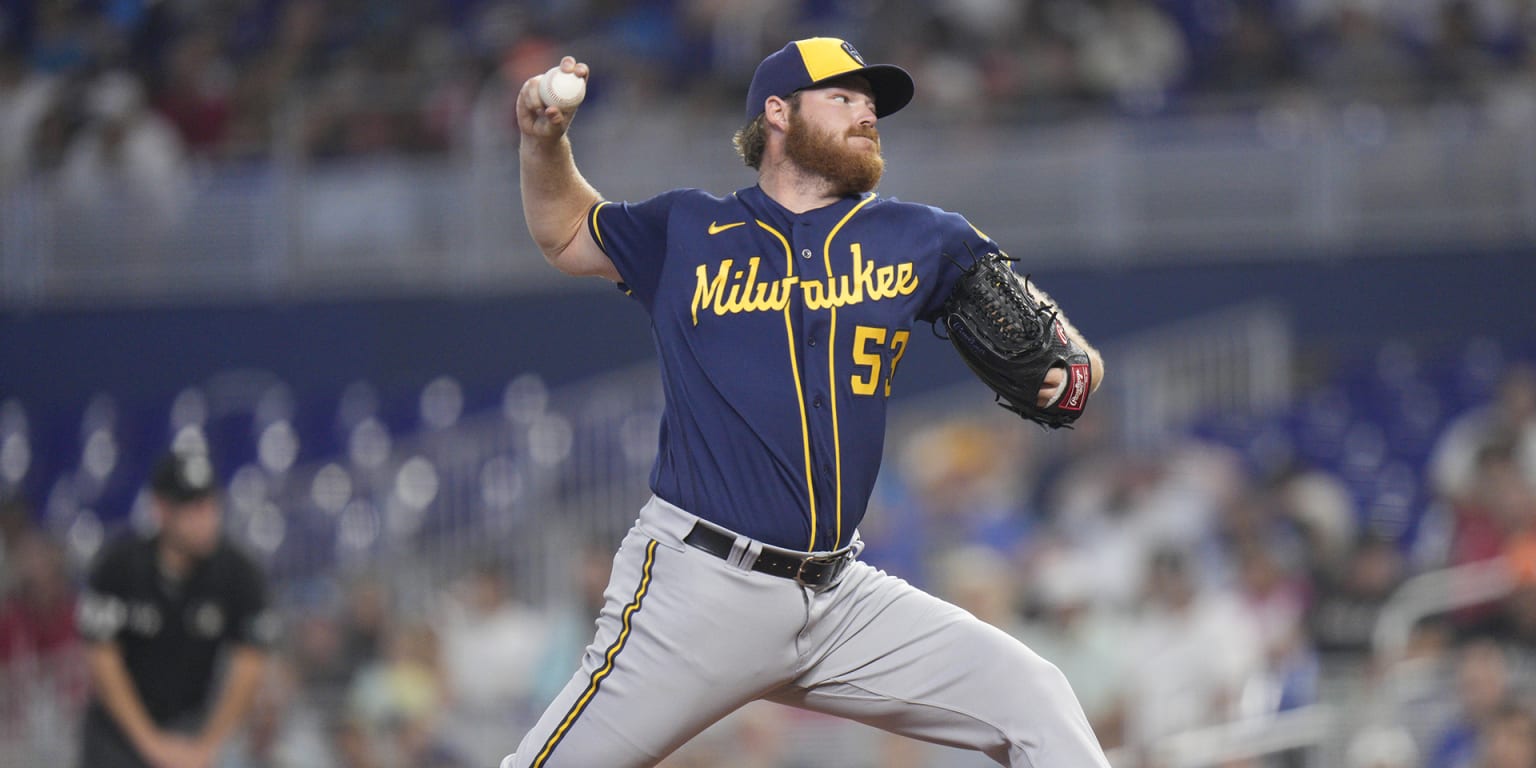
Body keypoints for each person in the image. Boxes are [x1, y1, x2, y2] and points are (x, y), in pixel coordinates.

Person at [505, 37, 1109, 767]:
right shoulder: (689, 229)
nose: (868, 114)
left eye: (872, 104)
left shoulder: (919, 236)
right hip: (700, 588)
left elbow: (1055, 338)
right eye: (845, 97)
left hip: (839, 597)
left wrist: (1078, 366)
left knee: (1033, 697)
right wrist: (545, 144)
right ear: (779, 113)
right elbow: (567, 229)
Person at [76, 449, 276, 768]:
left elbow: (249, 664)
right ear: (162, 509)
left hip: (191, 728)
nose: (207, 518)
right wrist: (150, 743)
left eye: (211, 504)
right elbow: (102, 660)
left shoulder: (238, 574)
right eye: (193, 508)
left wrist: (208, 745)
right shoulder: (118, 567)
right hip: (117, 734)